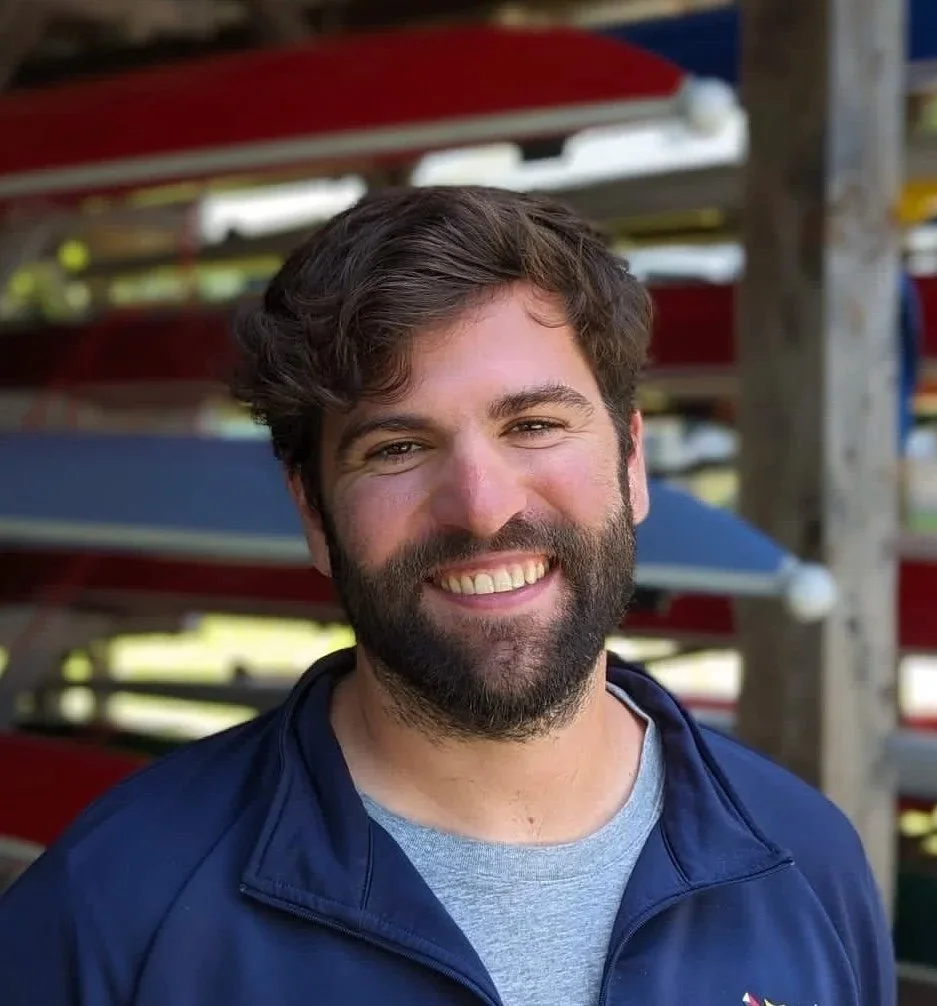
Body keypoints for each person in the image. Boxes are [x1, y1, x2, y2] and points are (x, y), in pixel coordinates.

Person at [0, 186, 894, 1006]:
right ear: (313, 511)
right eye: (396, 448)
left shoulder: (804, 862)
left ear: (630, 460)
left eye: (534, 425)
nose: (482, 507)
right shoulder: (116, 905)